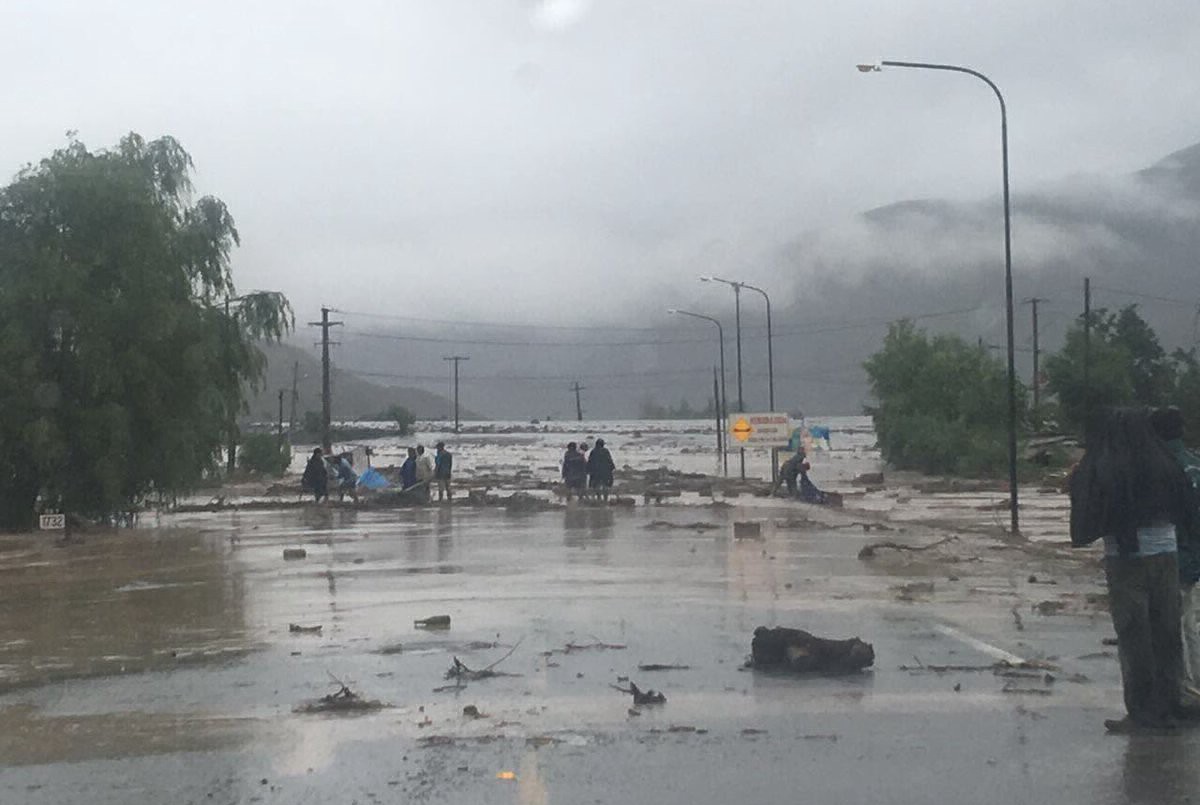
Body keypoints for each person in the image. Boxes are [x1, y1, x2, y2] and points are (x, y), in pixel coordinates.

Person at [1070, 407, 1197, 732]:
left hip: (1126, 561)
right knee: (1167, 632)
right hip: (1167, 557)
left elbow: (1087, 510)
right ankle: (1170, 704)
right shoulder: (1166, 464)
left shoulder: (1105, 466)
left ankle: (1141, 711)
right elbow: (1187, 510)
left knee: (1134, 634)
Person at [1151, 407, 1200, 699]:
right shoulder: (1194, 465)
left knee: (1172, 625)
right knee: (1189, 622)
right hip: (1193, 557)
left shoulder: (1159, 469)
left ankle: (1182, 688)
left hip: (1169, 556)